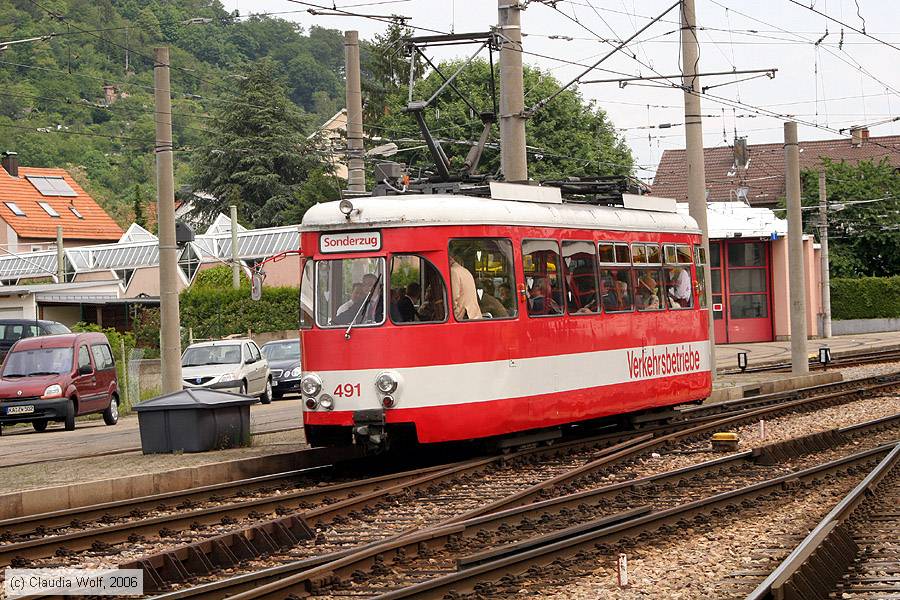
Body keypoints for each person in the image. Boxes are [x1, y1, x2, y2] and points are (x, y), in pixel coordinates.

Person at [449, 254, 482, 320]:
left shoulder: (453, 272)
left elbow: (453, 299)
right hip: (473, 316)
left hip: (463, 318)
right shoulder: (464, 271)